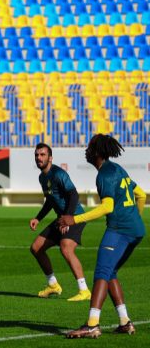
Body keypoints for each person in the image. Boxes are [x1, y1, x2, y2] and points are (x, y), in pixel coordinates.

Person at [59, 134, 146, 339]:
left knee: (101, 272)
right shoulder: (118, 169)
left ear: (97, 152)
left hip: (119, 230)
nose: (86, 151)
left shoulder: (104, 174)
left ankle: (91, 324)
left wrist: (75, 219)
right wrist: (135, 218)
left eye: (89, 147)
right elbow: (141, 194)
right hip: (136, 230)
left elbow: (107, 207)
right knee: (111, 272)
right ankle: (125, 322)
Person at [29, 143, 90, 301]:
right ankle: (53, 285)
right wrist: (38, 218)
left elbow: (73, 195)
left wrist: (68, 220)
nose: (39, 158)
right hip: (61, 218)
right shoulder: (42, 177)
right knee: (36, 248)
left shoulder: (58, 173)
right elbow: (50, 201)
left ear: (50, 157)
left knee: (66, 248)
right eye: (37, 155)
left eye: (42, 155)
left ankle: (84, 290)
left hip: (75, 217)